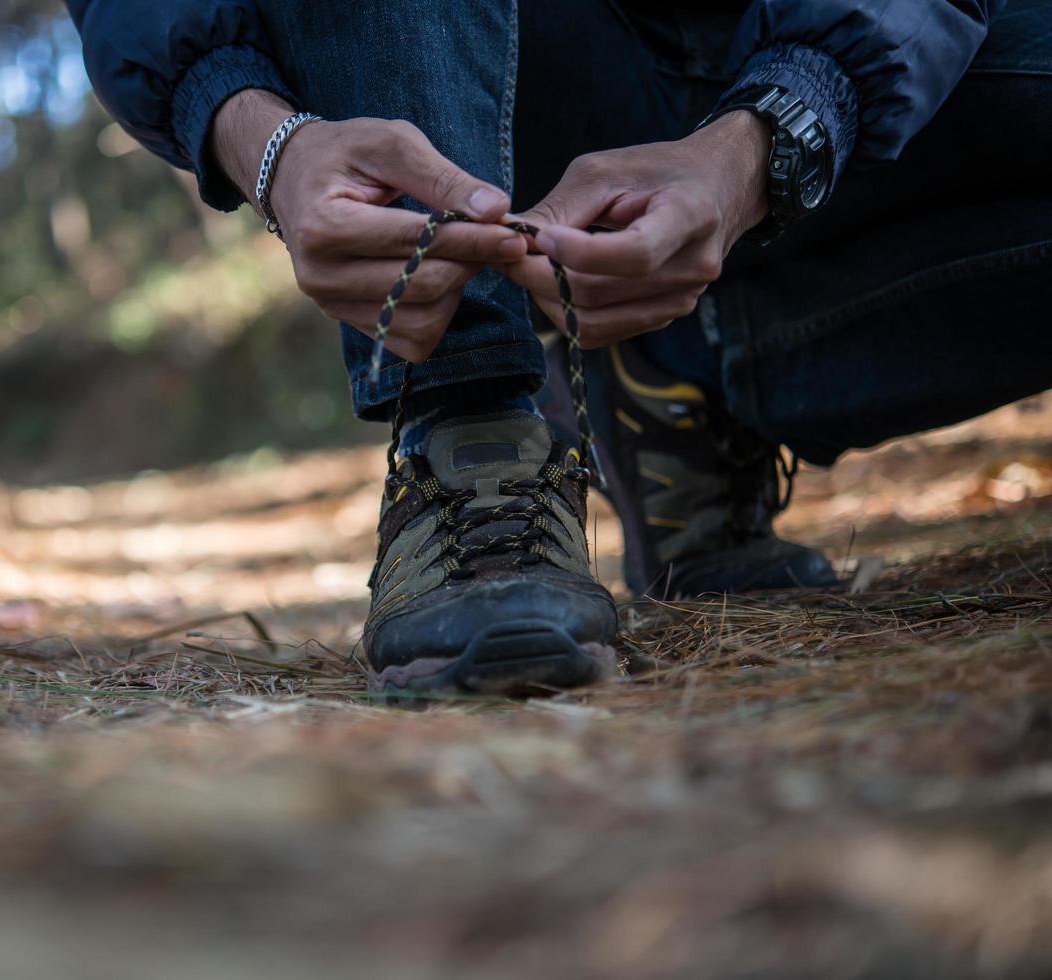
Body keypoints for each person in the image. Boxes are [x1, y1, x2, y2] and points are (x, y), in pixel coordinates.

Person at [66, 0, 1052, 697]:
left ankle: (687, 371)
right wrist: (259, 136)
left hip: (812, 46)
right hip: (486, 59)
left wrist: (768, 133)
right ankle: (469, 434)